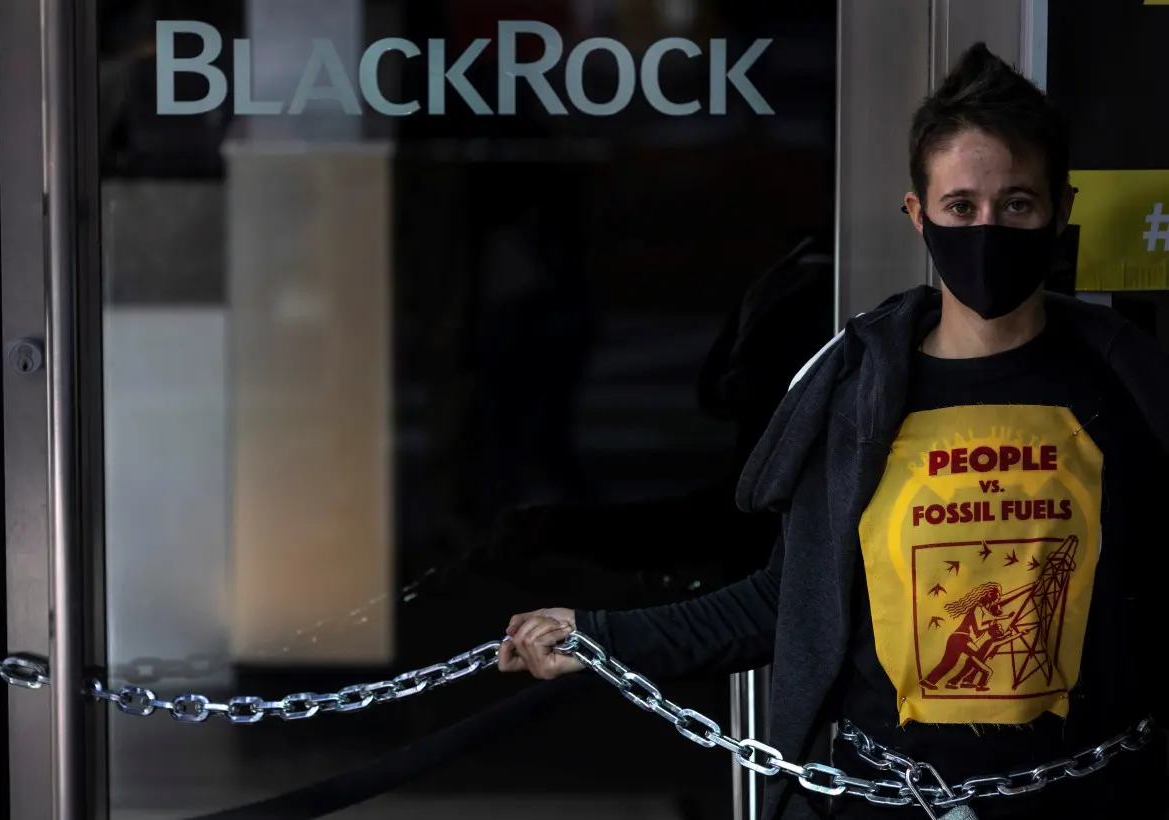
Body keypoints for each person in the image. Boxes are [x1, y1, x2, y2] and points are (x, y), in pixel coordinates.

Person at [498, 43, 1169, 820]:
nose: (989, 228)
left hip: (1089, 801)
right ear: (919, 214)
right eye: (962, 207)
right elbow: (789, 602)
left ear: (1062, 209)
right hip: (885, 801)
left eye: (1017, 204)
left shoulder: (1125, 392)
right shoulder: (857, 397)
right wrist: (598, 635)